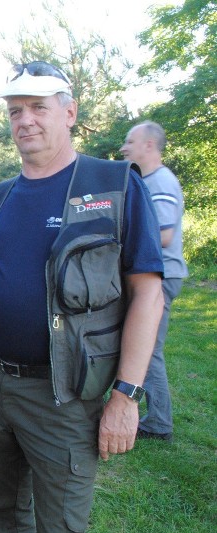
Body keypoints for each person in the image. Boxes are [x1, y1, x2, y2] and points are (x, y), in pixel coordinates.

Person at [0, 61, 165, 533]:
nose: (26, 120)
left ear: (70, 111)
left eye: (39, 107)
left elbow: (148, 293)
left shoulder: (113, 184)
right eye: (16, 110)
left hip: (63, 396)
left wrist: (126, 395)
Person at [120, 121, 187, 442]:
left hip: (162, 276)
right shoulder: (150, 180)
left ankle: (159, 422)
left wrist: (122, 239)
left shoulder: (160, 182)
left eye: (130, 141)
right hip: (158, 275)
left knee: (148, 348)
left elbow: (164, 234)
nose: (124, 147)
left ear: (149, 145)